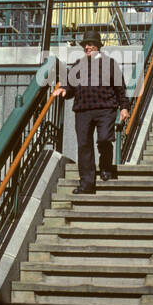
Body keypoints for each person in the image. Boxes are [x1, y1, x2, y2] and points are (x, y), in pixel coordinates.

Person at [53, 29, 130, 193]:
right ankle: (86, 184)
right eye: (85, 44)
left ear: (98, 46)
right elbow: (70, 84)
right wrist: (64, 90)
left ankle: (105, 166)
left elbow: (120, 88)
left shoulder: (110, 63)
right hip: (83, 110)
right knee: (84, 145)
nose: (87, 47)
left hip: (106, 108)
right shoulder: (78, 65)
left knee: (104, 139)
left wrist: (124, 107)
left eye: (90, 44)